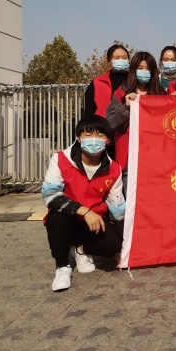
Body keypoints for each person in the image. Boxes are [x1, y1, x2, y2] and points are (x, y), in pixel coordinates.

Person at [42, 115, 125, 292]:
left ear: (108, 140)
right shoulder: (60, 159)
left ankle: (81, 249)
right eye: (88, 134)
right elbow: (50, 195)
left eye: (100, 135)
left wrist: (120, 248)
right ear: (79, 138)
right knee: (55, 218)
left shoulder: (114, 169)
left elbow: (117, 208)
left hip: (95, 222)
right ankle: (62, 266)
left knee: (114, 244)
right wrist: (84, 211)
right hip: (68, 217)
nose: (93, 139)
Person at [106, 52, 166, 194]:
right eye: (140, 68)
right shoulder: (121, 93)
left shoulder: (161, 94)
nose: (144, 72)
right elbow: (111, 123)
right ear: (133, 70)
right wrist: (125, 106)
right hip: (129, 164)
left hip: (154, 163)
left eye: (148, 68)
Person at [84, 44, 130, 118]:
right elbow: (89, 111)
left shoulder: (135, 81)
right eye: (117, 58)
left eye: (124, 58)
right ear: (109, 61)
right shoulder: (98, 82)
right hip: (103, 123)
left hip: (130, 124)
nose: (121, 60)